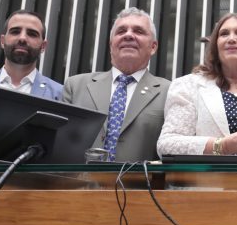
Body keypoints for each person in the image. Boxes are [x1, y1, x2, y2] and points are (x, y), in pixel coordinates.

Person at [157, 13, 237, 156]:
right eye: (224, 34)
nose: (232, 39)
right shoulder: (187, 86)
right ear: (215, 45)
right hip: (205, 178)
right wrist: (221, 146)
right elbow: (166, 145)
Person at [63, 8, 170, 162]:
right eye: (121, 31)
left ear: (153, 47)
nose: (128, 35)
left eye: (138, 31)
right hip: (79, 184)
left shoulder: (169, 91)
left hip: (139, 184)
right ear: (111, 44)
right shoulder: (75, 86)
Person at [0, 10, 62, 100]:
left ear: (43, 46)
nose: (22, 38)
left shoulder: (60, 95)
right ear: (2, 41)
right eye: (15, 32)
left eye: (32, 34)